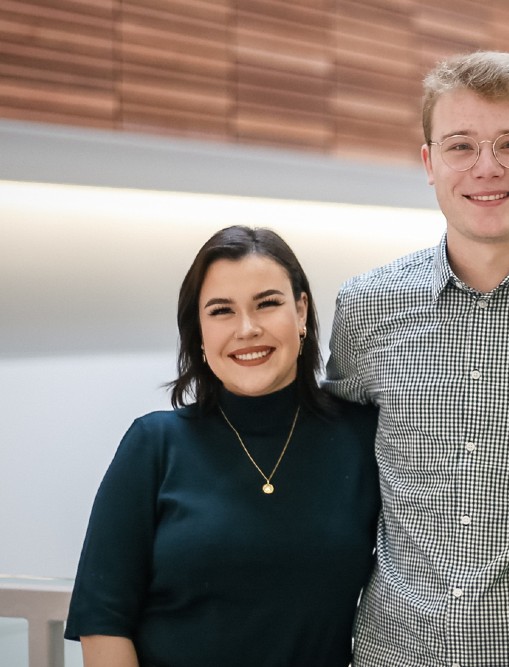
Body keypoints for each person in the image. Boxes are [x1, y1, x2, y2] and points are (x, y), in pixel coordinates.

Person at [325, 51, 509, 666]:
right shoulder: (365, 309)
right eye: (460, 146)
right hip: (394, 654)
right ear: (429, 163)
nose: (486, 168)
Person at [65, 226, 380, 667]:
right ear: (199, 331)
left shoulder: (364, 437)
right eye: (221, 311)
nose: (247, 329)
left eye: (267, 304)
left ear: (302, 311)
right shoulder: (154, 445)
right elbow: (103, 622)